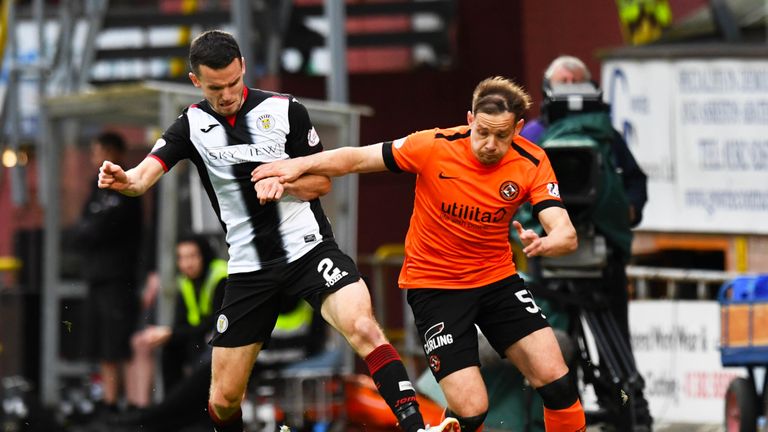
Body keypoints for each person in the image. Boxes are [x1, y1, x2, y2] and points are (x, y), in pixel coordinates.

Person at [96, 29, 459, 432]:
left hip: (310, 251)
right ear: (196, 81)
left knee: (363, 326)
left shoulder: (286, 111)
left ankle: (415, 426)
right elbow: (143, 177)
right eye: (216, 87)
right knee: (223, 397)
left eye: (234, 82)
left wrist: (284, 184)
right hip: (251, 268)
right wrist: (123, 179)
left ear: (244, 68)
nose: (228, 94)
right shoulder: (190, 125)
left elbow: (321, 183)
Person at [251, 76, 587, 432]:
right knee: (471, 411)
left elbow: (564, 230)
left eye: (502, 135)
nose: (490, 144)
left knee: (557, 380)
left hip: (497, 281)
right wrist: (298, 165)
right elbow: (356, 159)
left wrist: (550, 242)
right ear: (470, 119)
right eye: (483, 132)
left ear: (518, 129)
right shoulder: (433, 146)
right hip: (436, 289)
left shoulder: (531, 161)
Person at [516, 55, 651, 430]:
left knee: (617, 361)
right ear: (548, 89)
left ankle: (626, 411)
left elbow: (636, 181)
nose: (570, 83)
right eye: (563, 80)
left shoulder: (607, 137)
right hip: (548, 267)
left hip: (602, 263)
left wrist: (628, 213)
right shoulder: (534, 137)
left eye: (576, 79)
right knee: (553, 354)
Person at [72, 131, 143, 416]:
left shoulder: (127, 186)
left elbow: (102, 228)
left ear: (113, 153)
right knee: (101, 343)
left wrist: (91, 230)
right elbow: (81, 231)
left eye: (97, 151)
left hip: (119, 276)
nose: (93, 158)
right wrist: (90, 231)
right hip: (96, 276)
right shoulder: (96, 187)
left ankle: (130, 405)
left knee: (119, 342)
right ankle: (109, 402)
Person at [128, 234, 227, 407]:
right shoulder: (186, 282)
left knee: (201, 355)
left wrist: (171, 333)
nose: (187, 263)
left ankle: (198, 411)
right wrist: (167, 334)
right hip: (202, 337)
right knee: (171, 348)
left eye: (192, 256)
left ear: (204, 255)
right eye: (181, 258)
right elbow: (184, 323)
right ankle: (172, 406)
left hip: (222, 341)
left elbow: (217, 322)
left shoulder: (220, 276)